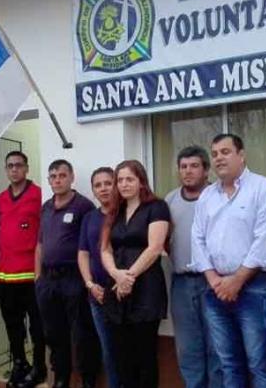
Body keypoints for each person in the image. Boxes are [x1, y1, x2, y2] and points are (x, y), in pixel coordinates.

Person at [191, 133, 266, 388]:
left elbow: (265, 240)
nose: (219, 157)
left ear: (241, 155)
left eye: (225, 151)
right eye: (215, 153)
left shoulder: (264, 189)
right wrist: (214, 280)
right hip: (215, 288)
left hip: (254, 286)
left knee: (259, 364)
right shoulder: (207, 196)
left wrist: (237, 280)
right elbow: (197, 239)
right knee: (228, 364)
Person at [101, 160, 171, 388]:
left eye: (129, 179)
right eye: (119, 180)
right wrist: (116, 275)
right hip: (118, 290)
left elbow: (155, 247)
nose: (124, 184)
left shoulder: (157, 207)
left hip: (146, 290)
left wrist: (128, 277)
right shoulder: (115, 211)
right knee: (123, 357)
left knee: (145, 356)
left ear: (141, 181)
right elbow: (105, 249)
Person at [35, 159, 99, 388]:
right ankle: (61, 379)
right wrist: (38, 277)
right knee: (53, 333)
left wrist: (88, 280)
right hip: (48, 280)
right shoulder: (46, 207)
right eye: (52, 176)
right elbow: (40, 244)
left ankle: (88, 380)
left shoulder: (84, 207)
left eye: (62, 175)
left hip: (74, 279)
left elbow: (90, 247)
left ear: (71, 177)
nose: (57, 180)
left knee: (82, 333)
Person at [165, 146, 222, 388]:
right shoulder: (170, 200)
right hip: (181, 283)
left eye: (194, 166)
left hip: (215, 282)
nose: (188, 171)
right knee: (188, 349)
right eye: (183, 166)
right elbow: (163, 240)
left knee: (217, 347)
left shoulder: (219, 197)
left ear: (206, 170)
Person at [0, 151, 47, 388]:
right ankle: (19, 363)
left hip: (31, 274)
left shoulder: (39, 195)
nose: (14, 169)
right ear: (6, 170)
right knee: (12, 326)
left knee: (37, 326)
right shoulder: (1, 199)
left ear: (27, 168)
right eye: (10, 166)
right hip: (5, 275)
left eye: (18, 165)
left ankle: (39, 367)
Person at [77, 167, 119, 388]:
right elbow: (83, 253)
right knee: (108, 351)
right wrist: (90, 284)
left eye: (107, 183)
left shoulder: (125, 214)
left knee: (128, 352)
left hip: (123, 293)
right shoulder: (89, 218)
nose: (103, 188)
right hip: (98, 296)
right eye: (98, 185)